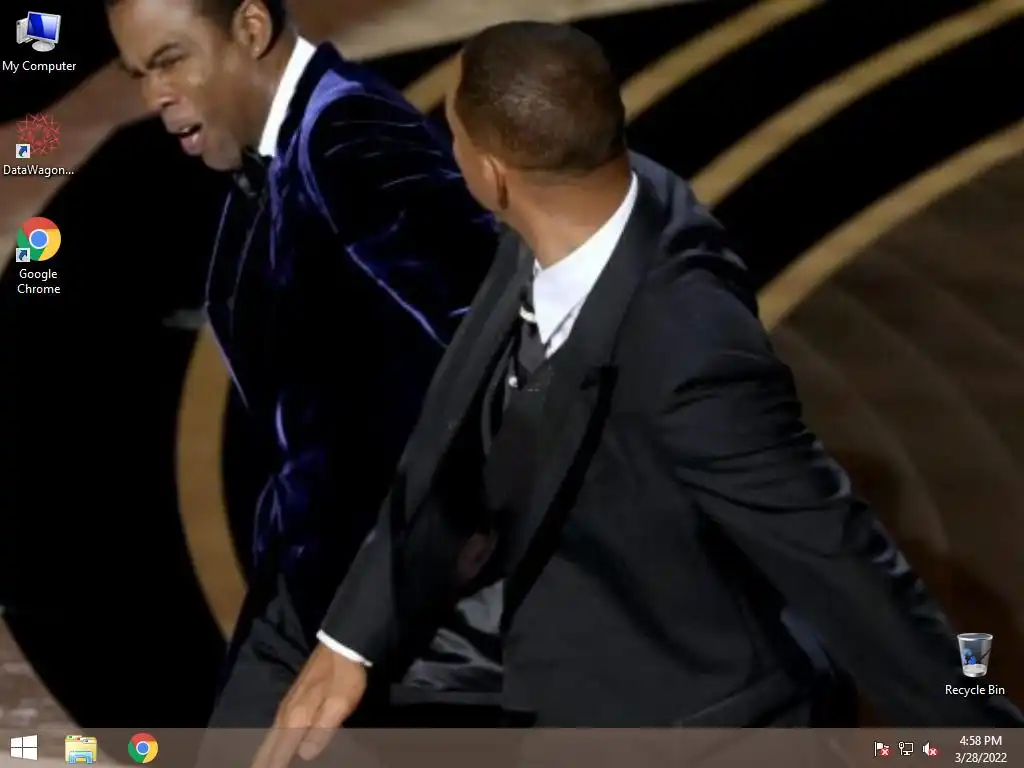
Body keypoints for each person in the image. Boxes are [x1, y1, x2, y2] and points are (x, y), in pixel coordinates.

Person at [253, 19, 1024, 764]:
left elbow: (843, 563)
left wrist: (988, 743)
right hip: (560, 646)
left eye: (451, 132)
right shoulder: (581, 203)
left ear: (490, 173)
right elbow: (453, 429)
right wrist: (349, 641)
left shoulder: (690, 354)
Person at [105, 0, 497, 727]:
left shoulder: (351, 133)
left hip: (399, 621)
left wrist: (407, 581)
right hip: (316, 590)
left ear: (251, 29)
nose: (155, 95)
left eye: (170, 60)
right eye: (139, 74)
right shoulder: (286, 146)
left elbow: (489, 335)